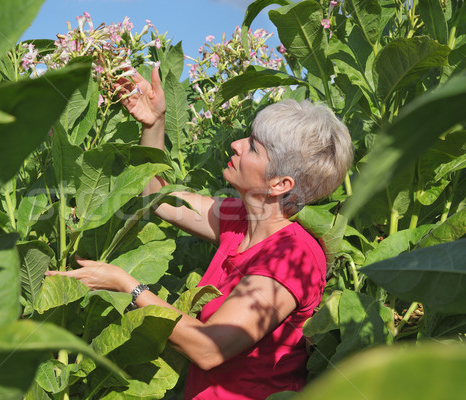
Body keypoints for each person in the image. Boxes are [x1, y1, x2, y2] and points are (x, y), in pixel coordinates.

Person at [47, 65, 354, 399]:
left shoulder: (292, 257)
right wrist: (154, 123)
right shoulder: (240, 219)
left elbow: (210, 348)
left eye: (252, 146)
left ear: (280, 184)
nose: (236, 144)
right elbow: (157, 196)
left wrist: (128, 285)